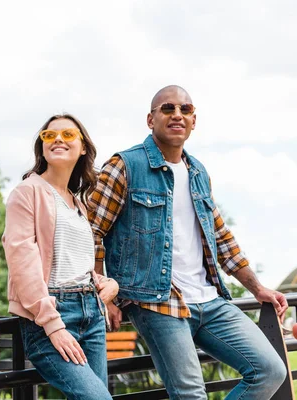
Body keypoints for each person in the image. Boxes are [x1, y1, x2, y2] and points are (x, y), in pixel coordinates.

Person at [88, 85, 288, 399]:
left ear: (194, 120)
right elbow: (91, 231)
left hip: (210, 300)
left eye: (185, 109)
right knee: (192, 394)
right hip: (156, 300)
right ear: (150, 119)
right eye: (167, 108)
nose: (177, 115)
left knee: (270, 371)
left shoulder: (198, 173)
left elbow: (221, 238)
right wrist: (106, 295)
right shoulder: (124, 166)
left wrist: (257, 288)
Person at [2, 114, 118, 400]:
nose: (57, 139)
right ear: (41, 148)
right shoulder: (27, 192)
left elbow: (71, 262)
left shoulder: (77, 202)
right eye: (49, 135)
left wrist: (105, 282)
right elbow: (22, 263)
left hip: (91, 313)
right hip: (50, 314)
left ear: (82, 148)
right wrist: (53, 326)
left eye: (68, 135)